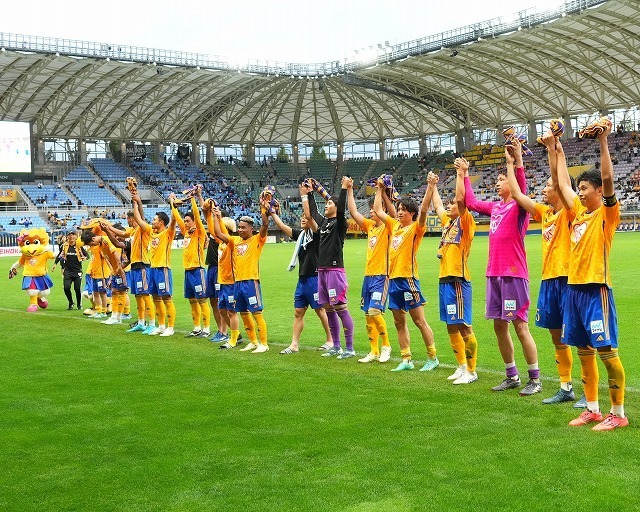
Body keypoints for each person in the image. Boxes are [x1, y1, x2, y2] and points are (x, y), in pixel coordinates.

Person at [556, 121, 628, 430]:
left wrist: (603, 141)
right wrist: (554, 147)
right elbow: (562, 182)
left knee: (606, 352)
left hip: (596, 289)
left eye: (585, 188)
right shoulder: (579, 214)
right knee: (584, 351)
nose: (580, 193)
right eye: (580, 189)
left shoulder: (607, 213)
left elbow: (609, 177)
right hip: (574, 289)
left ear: (599, 192)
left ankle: (619, 413)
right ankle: (593, 409)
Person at [507, 133, 584, 405]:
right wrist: (513, 160)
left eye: (549, 185)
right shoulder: (545, 212)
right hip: (549, 280)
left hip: (568, 278)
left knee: (579, 336)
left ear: (561, 190)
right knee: (556, 336)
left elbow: (562, 182)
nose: (544, 189)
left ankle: (589, 389)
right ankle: (566, 387)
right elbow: (516, 194)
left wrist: (553, 149)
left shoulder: (568, 211)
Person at [463, 139, 541, 395]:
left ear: (512, 184)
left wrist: (514, 162)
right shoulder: (495, 207)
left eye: (501, 180)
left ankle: (535, 378)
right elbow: (471, 202)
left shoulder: (520, 207)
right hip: (494, 274)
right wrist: (463, 175)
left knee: (519, 326)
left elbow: (521, 184)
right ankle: (512, 375)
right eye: (497, 180)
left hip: (513, 275)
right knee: (499, 326)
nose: (497, 183)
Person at [373, 177, 438, 372]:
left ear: (412, 214)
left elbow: (425, 209)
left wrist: (430, 186)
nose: (399, 212)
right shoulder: (394, 226)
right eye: (398, 209)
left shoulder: (416, 229)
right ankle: (406, 359)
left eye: (403, 210)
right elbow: (378, 210)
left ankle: (432, 357)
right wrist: (379, 190)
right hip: (393, 280)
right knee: (398, 322)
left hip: (408, 279)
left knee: (419, 320)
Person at [425, 165, 478, 384]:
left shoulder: (466, 222)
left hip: (458, 280)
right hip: (444, 280)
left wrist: (460, 174)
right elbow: (436, 204)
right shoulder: (448, 224)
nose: (449, 205)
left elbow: (460, 198)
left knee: (464, 325)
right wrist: (433, 185)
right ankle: (461, 366)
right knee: (450, 324)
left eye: (453, 204)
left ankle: (472, 371)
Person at [266, 184, 332, 354]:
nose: (303, 219)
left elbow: (310, 217)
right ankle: (294, 344)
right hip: (302, 279)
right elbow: (282, 227)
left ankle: (330, 340)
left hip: (315, 278)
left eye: (305, 217)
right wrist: (272, 212)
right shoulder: (301, 235)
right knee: (298, 312)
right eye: (301, 217)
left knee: (320, 310)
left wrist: (305, 200)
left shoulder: (317, 235)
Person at [302, 177, 356, 359]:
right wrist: (309, 193)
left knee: (341, 308)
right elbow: (313, 212)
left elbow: (341, 209)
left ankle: (349, 348)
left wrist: (342, 189)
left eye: (330, 203)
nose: (327, 205)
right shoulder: (324, 223)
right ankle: (336, 346)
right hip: (322, 271)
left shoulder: (340, 223)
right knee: (328, 309)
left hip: (335, 271)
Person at [345, 177, 395, 364]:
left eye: (374, 210)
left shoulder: (389, 226)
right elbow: (353, 211)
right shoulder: (370, 227)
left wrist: (379, 190)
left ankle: (386, 346)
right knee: (368, 314)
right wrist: (350, 190)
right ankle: (373, 351)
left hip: (382, 275)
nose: (372, 211)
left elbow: (385, 210)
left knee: (375, 311)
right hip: (368, 276)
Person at [213, 206, 270, 353]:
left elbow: (265, 225)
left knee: (256, 313)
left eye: (243, 227)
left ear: (251, 229)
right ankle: (253, 342)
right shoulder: (234, 241)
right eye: (239, 227)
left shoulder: (257, 240)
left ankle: (263, 343)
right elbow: (218, 233)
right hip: (237, 283)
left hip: (251, 281)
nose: (240, 230)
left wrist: (264, 209)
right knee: (244, 313)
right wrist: (216, 216)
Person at [131, 194, 177, 336]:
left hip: (163, 269)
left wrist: (172, 202)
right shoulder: (151, 232)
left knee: (167, 298)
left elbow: (174, 219)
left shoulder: (168, 233)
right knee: (156, 298)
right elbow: (138, 220)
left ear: (161, 222)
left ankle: (171, 327)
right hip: (153, 269)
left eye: (155, 219)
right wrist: (136, 201)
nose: (152, 221)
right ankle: (161, 325)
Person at [171, 192, 210, 337]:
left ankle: (206, 328)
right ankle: (196, 327)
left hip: (198, 270)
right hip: (187, 271)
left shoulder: (199, 232)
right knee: (192, 301)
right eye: (185, 221)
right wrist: (172, 203)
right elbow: (177, 217)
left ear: (194, 221)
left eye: (188, 221)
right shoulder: (185, 232)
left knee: (201, 299)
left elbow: (198, 216)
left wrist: (192, 198)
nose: (186, 223)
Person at [206, 206, 240, 349]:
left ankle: (234, 338)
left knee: (232, 311)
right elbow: (216, 232)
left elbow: (220, 232)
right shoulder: (222, 243)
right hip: (223, 281)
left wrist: (218, 217)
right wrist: (214, 216)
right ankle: (236, 335)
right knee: (222, 310)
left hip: (232, 282)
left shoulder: (232, 241)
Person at [198, 190, 227, 342]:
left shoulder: (222, 233)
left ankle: (224, 331)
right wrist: (200, 196)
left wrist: (216, 215)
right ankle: (220, 331)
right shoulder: (213, 229)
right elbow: (205, 211)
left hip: (219, 269)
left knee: (220, 300)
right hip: (211, 268)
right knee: (213, 301)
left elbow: (208, 215)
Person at [52, 230, 88, 310]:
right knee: (66, 288)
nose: (71, 237)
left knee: (77, 289)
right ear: (67, 237)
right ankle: (71, 302)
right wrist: (55, 264)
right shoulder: (65, 246)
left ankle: (79, 304)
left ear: (75, 237)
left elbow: (87, 255)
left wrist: (84, 258)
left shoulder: (79, 246)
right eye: (70, 235)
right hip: (67, 271)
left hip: (77, 271)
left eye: (73, 235)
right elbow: (60, 255)